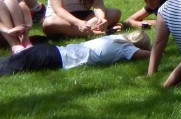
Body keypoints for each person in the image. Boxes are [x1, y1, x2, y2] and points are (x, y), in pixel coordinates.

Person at [0, 31, 151, 77]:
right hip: (55, 58)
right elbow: (152, 55)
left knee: (9, 62)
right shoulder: (127, 49)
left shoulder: (114, 38)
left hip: (51, 50)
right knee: (8, 70)